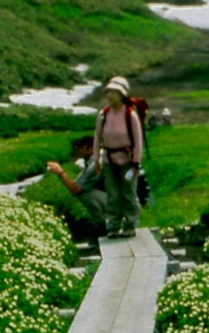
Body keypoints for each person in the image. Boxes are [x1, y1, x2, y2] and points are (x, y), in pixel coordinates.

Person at [46, 75, 145, 238]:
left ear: (121, 94)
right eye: (109, 92)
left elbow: (138, 139)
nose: (110, 96)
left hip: (127, 160)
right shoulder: (103, 114)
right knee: (113, 194)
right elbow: (98, 137)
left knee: (128, 192)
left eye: (113, 92)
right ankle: (113, 226)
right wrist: (98, 161)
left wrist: (136, 162)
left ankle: (130, 224)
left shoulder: (130, 115)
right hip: (108, 160)